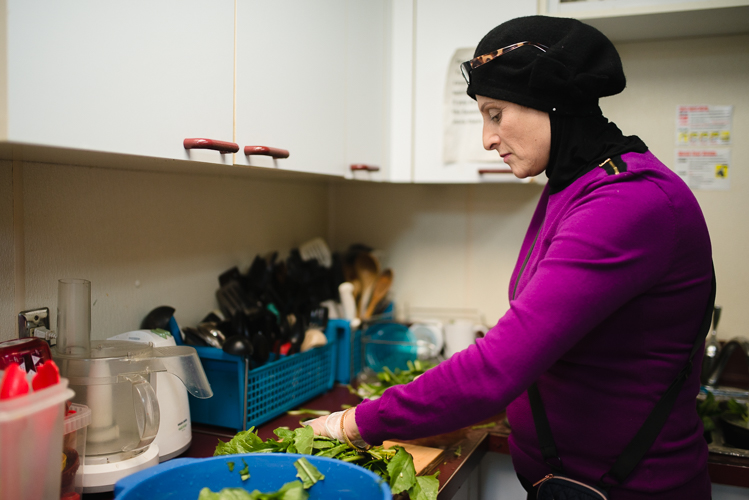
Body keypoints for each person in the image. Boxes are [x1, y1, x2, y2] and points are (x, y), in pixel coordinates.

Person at [310, 15, 713, 499]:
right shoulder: (573, 186)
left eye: (496, 114)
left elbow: (498, 368)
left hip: (631, 491)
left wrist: (351, 424)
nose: (487, 138)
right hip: (572, 485)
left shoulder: (627, 202)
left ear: (552, 101)